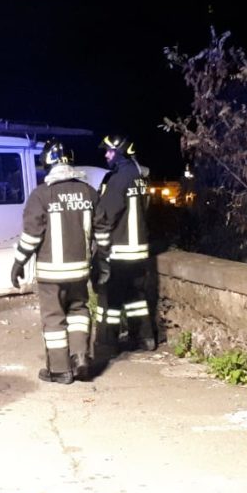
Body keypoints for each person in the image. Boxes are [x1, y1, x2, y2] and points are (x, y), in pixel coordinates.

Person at [11, 141, 106, 384]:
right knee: (79, 312)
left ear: (48, 163)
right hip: (80, 273)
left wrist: (18, 263)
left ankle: (60, 370)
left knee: (54, 318)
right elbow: (103, 232)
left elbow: (31, 236)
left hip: (51, 275)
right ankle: (81, 357)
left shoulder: (41, 195)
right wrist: (103, 262)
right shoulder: (88, 192)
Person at [93, 134, 157, 354]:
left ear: (118, 152)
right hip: (139, 251)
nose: (106, 155)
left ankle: (107, 343)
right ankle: (144, 338)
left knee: (110, 299)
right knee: (136, 297)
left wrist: (97, 246)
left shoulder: (119, 178)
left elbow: (106, 215)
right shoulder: (139, 176)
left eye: (109, 151)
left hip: (119, 251)